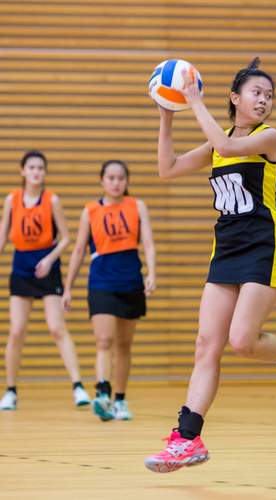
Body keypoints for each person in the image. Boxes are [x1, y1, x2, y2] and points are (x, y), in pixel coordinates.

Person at [144, 58, 276, 473]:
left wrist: (192, 102)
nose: (264, 100)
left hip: (267, 243)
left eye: (269, 95)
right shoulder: (217, 140)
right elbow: (166, 169)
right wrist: (166, 116)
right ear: (235, 98)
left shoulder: (269, 138)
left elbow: (226, 149)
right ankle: (187, 439)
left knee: (242, 341)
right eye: (256, 93)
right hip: (226, 246)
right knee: (207, 344)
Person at [63, 160, 156, 422]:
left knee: (124, 345)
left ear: (126, 181)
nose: (116, 182)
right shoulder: (90, 211)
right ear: (102, 180)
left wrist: (152, 273)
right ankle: (102, 393)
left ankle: (120, 399)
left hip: (130, 281)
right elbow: (79, 251)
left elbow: (148, 243)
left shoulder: (137, 207)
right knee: (103, 341)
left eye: (120, 178)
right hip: (101, 283)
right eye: (111, 177)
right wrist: (67, 287)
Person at [0, 151, 90, 411]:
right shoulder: (12, 200)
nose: (36, 172)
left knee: (56, 328)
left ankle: (78, 387)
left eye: (40, 167)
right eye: (31, 167)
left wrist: (50, 259)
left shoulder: (52, 200)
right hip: (21, 268)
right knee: (16, 331)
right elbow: (4, 234)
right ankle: (11, 390)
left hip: (46, 267)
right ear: (22, 171)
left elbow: (65, 237)